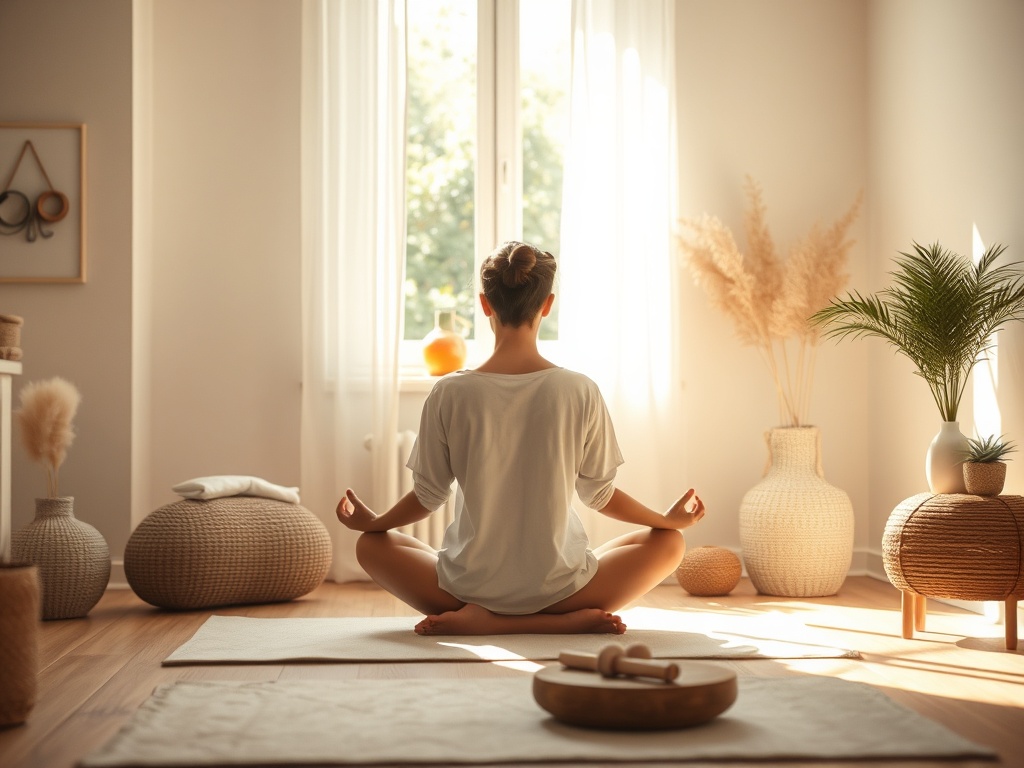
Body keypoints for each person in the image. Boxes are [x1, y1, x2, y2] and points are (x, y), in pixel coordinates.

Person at [337, 241, 706, 636]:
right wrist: (666, 520)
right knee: (669, 543)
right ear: (547, 304)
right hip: (562, 589)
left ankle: (487, 620)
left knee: (370, 546)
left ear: (484, 304)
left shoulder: (449, 393)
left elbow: (428, 497)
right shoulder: (579, 389)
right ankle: (554, 622)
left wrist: (375, 523)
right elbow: (599, 495)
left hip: (469, 590)